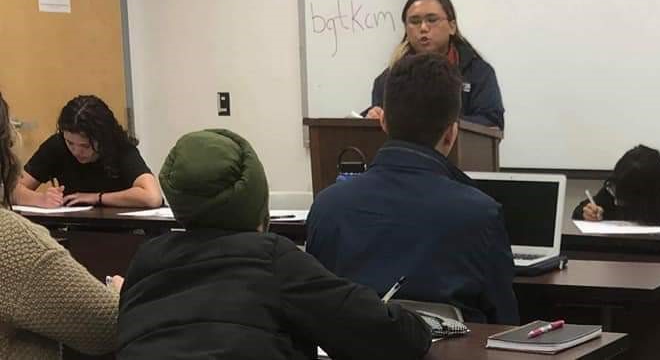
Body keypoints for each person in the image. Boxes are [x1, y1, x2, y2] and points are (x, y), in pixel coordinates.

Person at [117, 129, 431, 360]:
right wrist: (421, 324)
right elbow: (389, 336)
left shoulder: (147, 258)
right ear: (257, 201)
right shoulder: (273, 258)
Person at [308, 53, 519, 324]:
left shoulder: (327, 206)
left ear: (383, 122)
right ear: (451, 133)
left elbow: (314, 310)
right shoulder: (481, 213)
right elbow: (503, 326)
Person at [0, 93, 122, 359]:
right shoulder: (16, 244)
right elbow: (107, 326)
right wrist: (117, 290)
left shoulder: (122, 150)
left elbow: (149, 193)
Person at [365, 0, 505, 130]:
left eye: (432, 20)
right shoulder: (390, 78)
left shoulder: (478, 72)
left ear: (452, 27)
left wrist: (433, 122)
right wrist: (370, 116)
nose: (423, 28)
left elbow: (491, 121)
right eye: (414, 22)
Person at [13, 95, 162, 208]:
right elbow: (11, 190)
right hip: (77, 228)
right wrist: (40, 199)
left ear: (103, 139)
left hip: (124, 230)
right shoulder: (57, 145)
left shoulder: (120, 148)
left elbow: (151, 197)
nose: (76, 151)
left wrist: (97, 197)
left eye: (85, 146)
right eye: (70, 143)